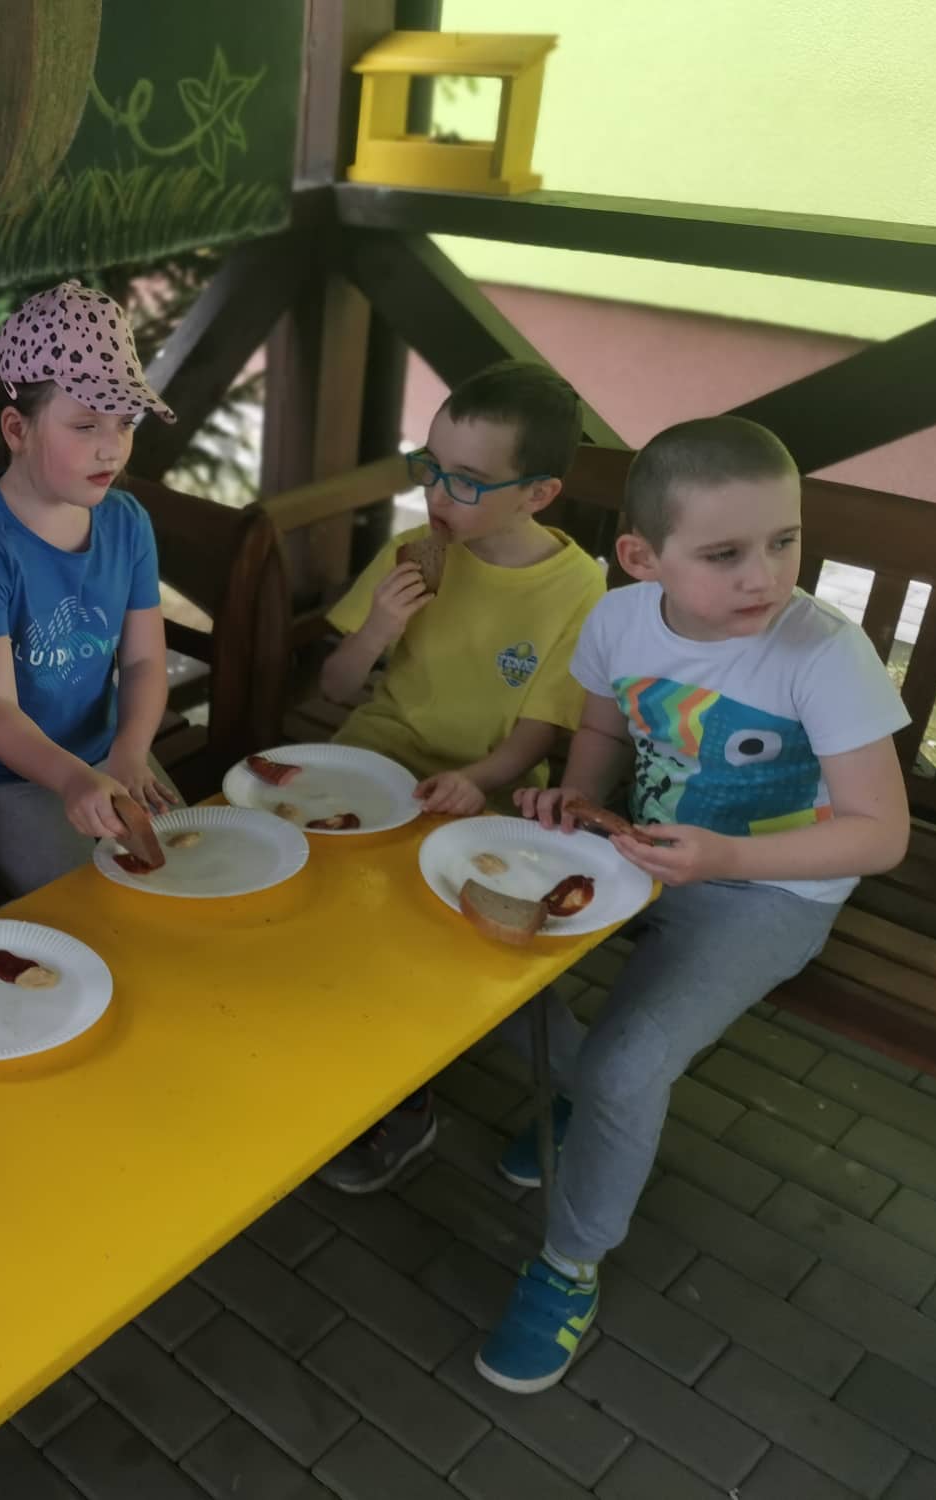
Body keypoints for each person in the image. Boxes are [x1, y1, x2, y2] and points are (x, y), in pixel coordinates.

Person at [477, 416, 909, 1393]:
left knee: (628, 1065)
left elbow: (880, 833)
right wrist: (577, 800)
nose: (765, 575)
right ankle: (580, 1097)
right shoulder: (618, 620)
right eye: (724, 554)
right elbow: (601, 728)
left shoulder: (821, 652)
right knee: (474, 967)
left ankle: (569, 1262)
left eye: (784, 541)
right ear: (643, 558)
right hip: (640, 849)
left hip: (769, 889)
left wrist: (725, 857)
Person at [319, 360, 607, 1193]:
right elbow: (335, 687)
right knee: (317, 903)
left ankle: (567, 1090)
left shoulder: (578, 590)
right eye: (431, 466)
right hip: (371, 761)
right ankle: (334, 1056)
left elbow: (537, 735)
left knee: (465, 939)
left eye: (468, 481)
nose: (438, 494)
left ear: (538, 494)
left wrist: (477, 779)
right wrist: (377, 628)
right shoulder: (409, 554)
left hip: (487, 792)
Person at [0, 280, 181, 897]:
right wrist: (75, 779)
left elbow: (144, 660)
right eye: (85, 425)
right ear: (16, 429)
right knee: (93, 898)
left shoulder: (127, 522)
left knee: (185, 864)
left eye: (124, 423)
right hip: (2, 778)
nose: (112, 447)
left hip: (107, 754)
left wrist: (130, 751)